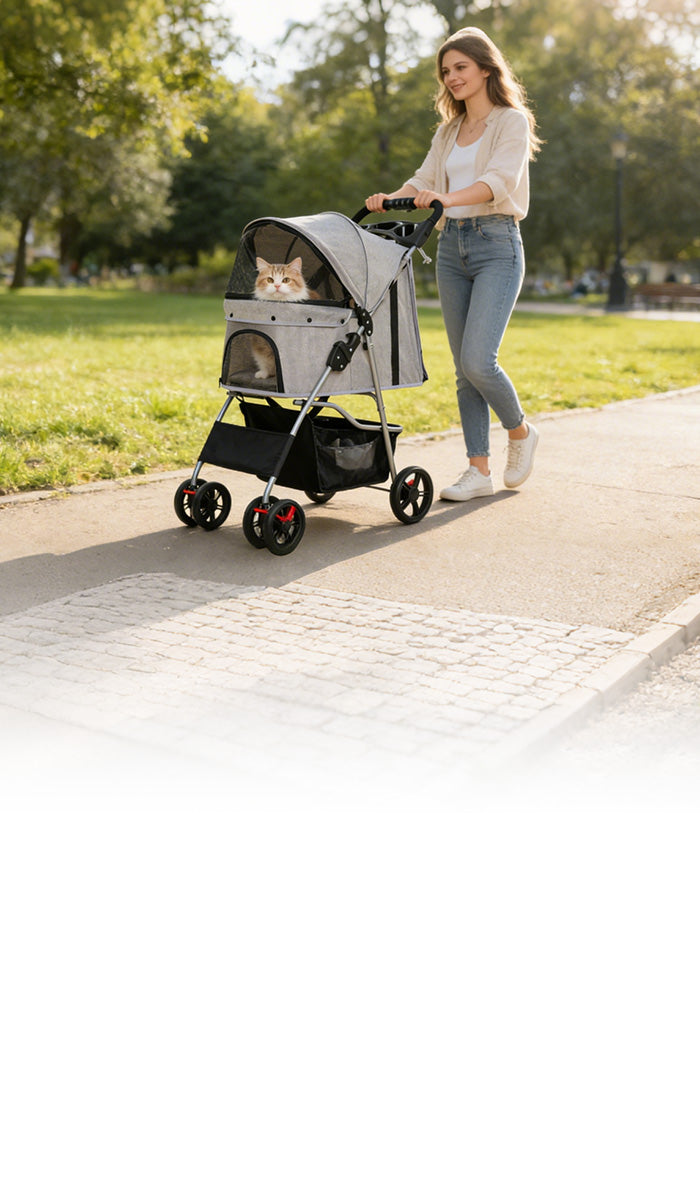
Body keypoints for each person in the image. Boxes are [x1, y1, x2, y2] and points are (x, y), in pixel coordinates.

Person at [365, 27, 542, 501]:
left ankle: (521, 432)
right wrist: (391, 198)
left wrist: (445, 197)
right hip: (451, 249)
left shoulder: (511, 121)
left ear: (486, 68)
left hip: (497, 245)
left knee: (479, 361)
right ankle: (478, 470)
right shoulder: (448, 131)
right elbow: (423, 178)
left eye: (461, 67)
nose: (452, 77)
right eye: (446, 71)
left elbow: (497, 181)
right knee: (463, 371)